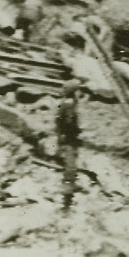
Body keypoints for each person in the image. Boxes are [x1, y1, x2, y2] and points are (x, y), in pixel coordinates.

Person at [55, 81, 85, 212]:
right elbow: (67, 122)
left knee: (71, 160)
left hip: (66, 136)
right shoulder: (69, 105)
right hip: (69, 137)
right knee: (70, 162)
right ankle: (68, 193)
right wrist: (75, 131)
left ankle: (69, 187)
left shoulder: (66, 103)